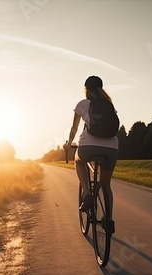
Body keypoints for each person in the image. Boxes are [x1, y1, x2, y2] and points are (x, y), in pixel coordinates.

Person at [63, 75, 119, 226]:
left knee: (78, 161)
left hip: (88, 146)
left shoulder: (82, 104)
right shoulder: (109, 105)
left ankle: (87, 195)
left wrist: (69, 144)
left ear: (86, 89)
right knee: (106, 184)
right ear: (101, 88)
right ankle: (109, 220)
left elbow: (74, 128)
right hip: (112, 148)